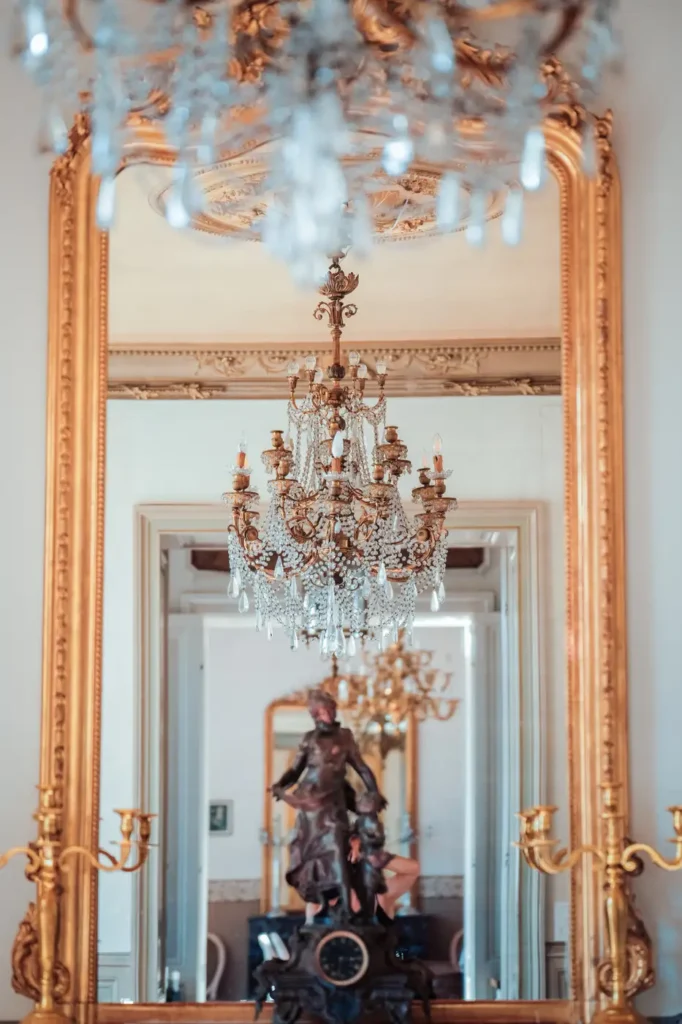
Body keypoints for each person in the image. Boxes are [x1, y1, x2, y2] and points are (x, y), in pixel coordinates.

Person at [271, 688, 385, 917]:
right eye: (324, 711)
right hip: (311, 807)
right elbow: (295, 770)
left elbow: (361, 767)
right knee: (314, 859)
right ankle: (326, 905)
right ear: (315, 715)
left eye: (331, 710)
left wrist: (374, 792)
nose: (330, 715)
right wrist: (279, 786)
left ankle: (346, 908)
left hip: (334, 803)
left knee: (336, 851)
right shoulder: (309, 739)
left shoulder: (345, 737)